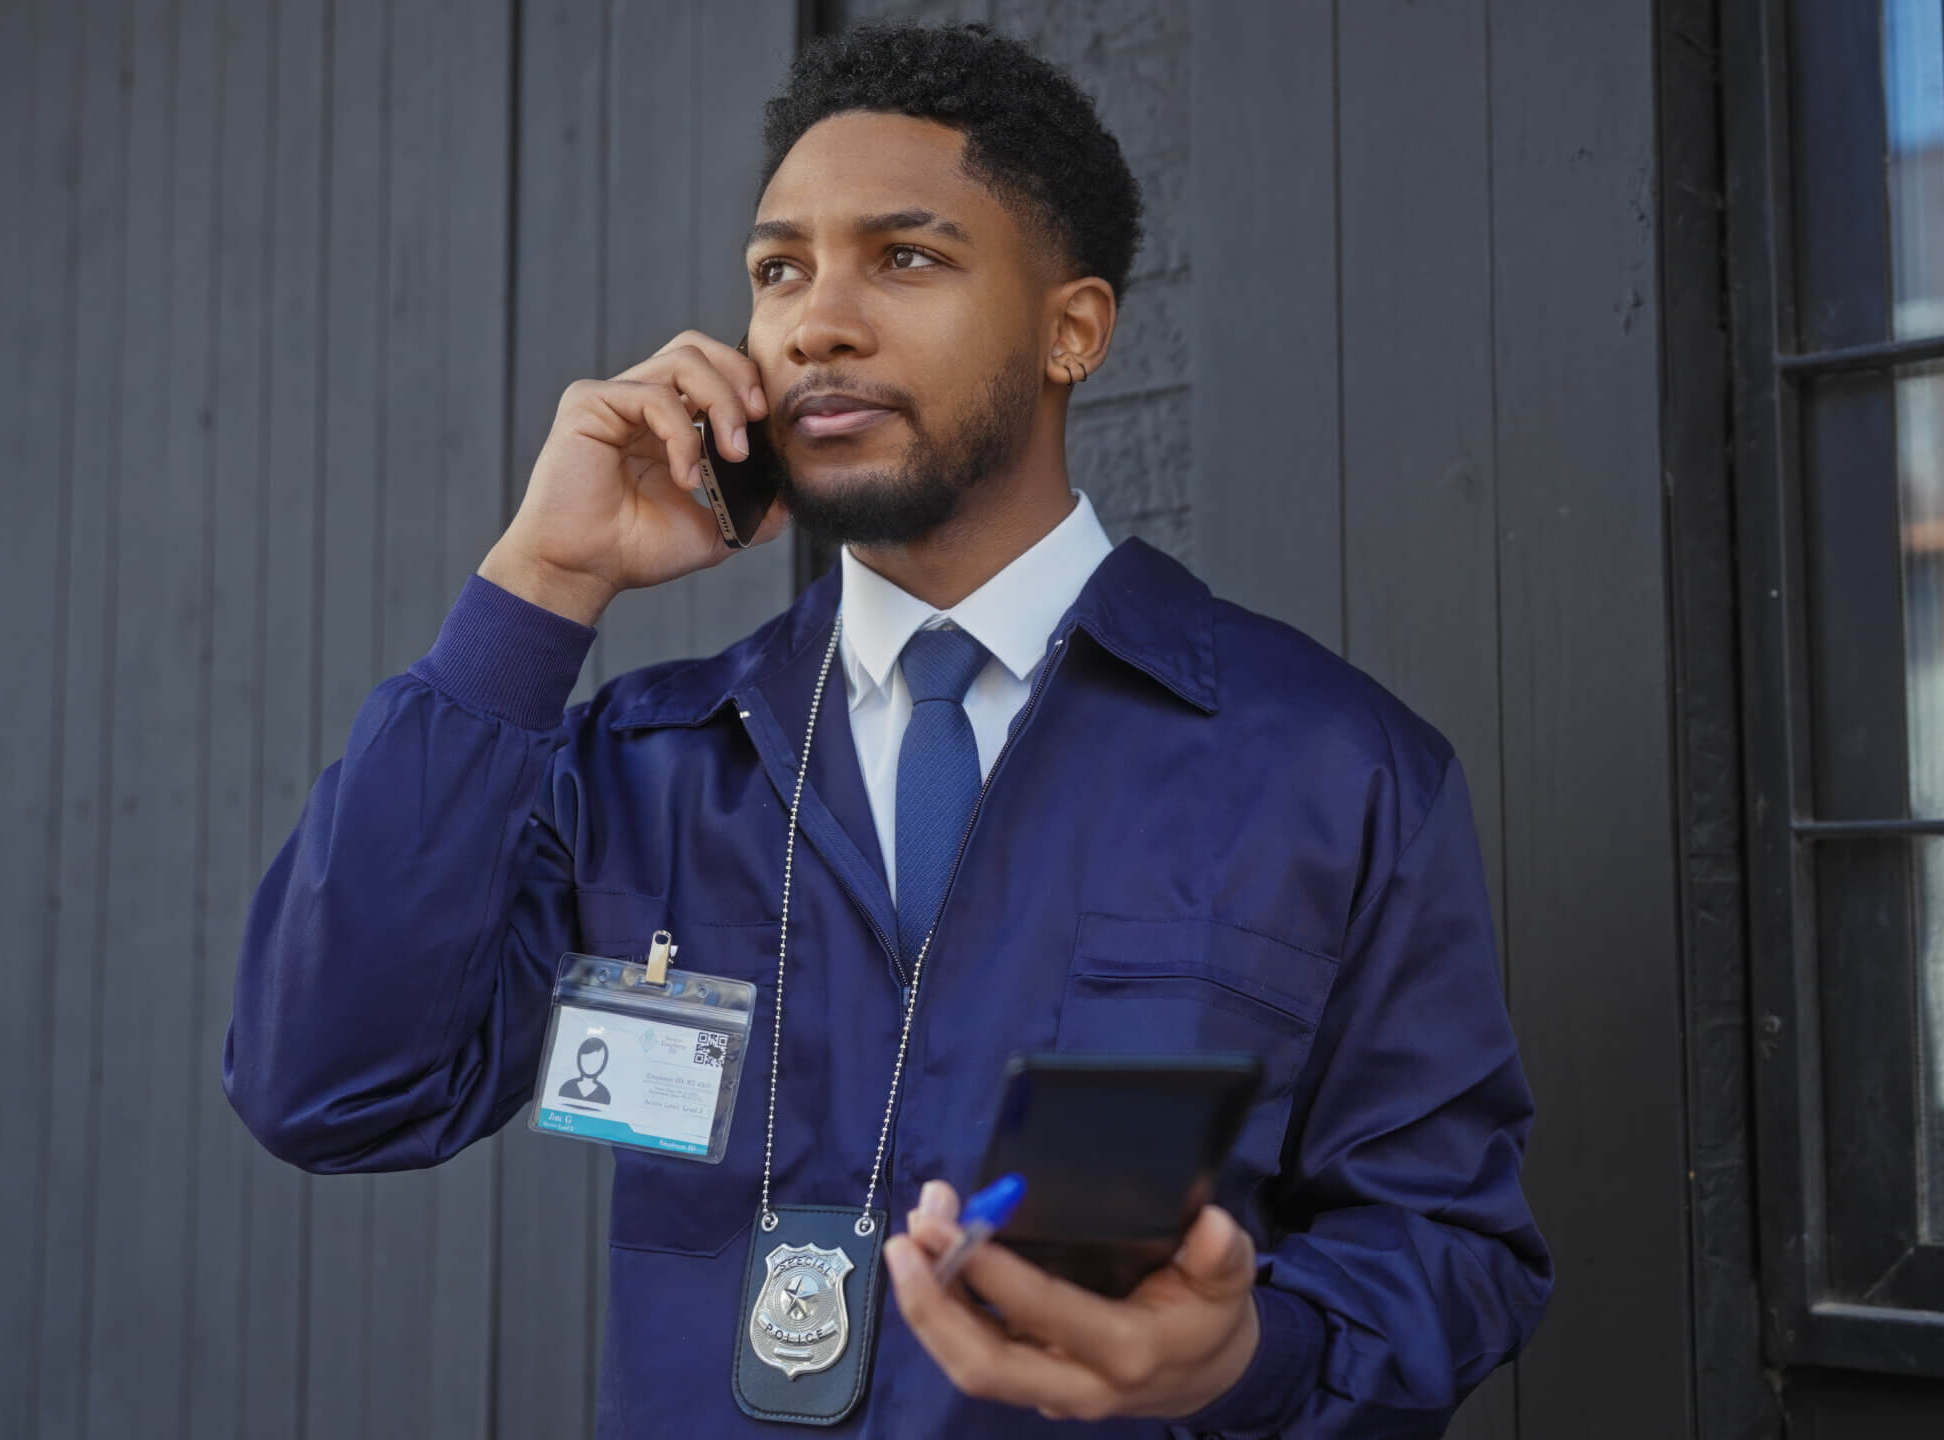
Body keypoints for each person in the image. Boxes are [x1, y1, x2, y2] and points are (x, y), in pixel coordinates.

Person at [226, 20, 1549, 1437]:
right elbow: (338, 1089)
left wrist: (1241, 1361)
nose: (814, 322)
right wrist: (540, 587)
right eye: (777, 269)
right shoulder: (647, 767)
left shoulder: (1327, 769)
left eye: (905, 258)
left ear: (1073, 328)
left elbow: (1452, 1252)